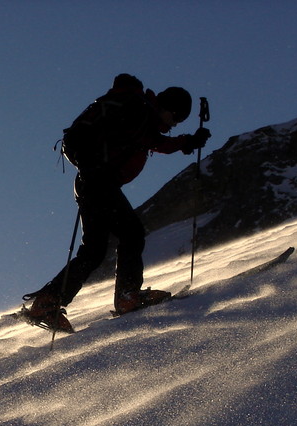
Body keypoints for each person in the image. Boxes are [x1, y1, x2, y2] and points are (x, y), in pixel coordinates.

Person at [23, 74, 211, 330]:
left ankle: (47, 301)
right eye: (175, 118)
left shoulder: (137, 111)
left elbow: (146, 140)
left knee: (94, 250)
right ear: (168, 108)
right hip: (100, 181)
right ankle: (127, 297)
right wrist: (186, 142)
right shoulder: (140, 111)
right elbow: (152, 140)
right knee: (131, 233)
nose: (174, 124)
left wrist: (184, 142)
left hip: (89, 180)